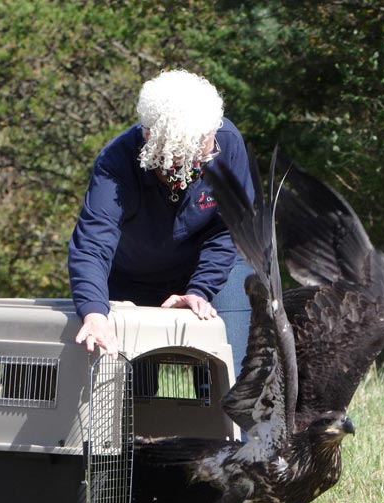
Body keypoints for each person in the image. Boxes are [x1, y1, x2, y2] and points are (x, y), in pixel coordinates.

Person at [68, 69, 254, 374]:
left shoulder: (227, 142)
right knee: (130, 382)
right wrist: (93, 313)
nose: (212, 151)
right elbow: (92, 243)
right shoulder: (116, 162)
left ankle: (232, 422)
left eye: (210, 143)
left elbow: (230, 228)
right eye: (197, 154)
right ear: (162, 148)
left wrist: (200, 290)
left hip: (215, 265)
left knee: (229, 368)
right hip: (133, 275)